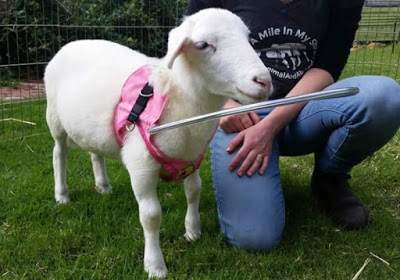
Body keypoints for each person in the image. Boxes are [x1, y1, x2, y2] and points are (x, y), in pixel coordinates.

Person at [185, 0, 400, 250]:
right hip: (242, 115)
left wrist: (272, 124)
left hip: (306, 107)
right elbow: (189, 55)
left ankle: (329, 177)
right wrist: (222, 105)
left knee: (383, 97)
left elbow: (329, 63)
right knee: (254, 239)